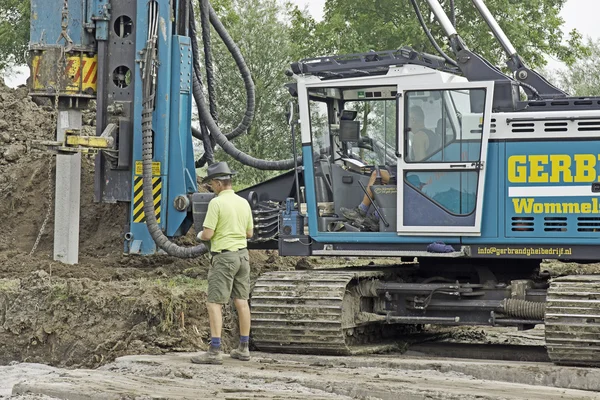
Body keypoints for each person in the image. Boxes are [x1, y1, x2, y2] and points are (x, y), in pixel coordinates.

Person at [190, 161, 254, 365]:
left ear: (218, 183)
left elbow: (208, 234)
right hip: (243, 256)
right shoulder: (243, 202)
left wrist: (199, 234)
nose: (211, 187)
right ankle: (244, 348)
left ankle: (215, 350)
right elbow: (249, 233)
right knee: (241, 302)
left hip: (224, 258)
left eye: (212, 184)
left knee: (214, 303)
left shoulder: (216, 203)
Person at [340, 105, 435, 226]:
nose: (407, 125)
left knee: (376, 175)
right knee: (385, 178)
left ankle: (362, 211)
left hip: (416, 183)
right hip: (425, 181)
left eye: (408, 121)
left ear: (414, 120)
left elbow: (420, 168)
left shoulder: (419, 137)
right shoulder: (430, 134)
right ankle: (377, 215)